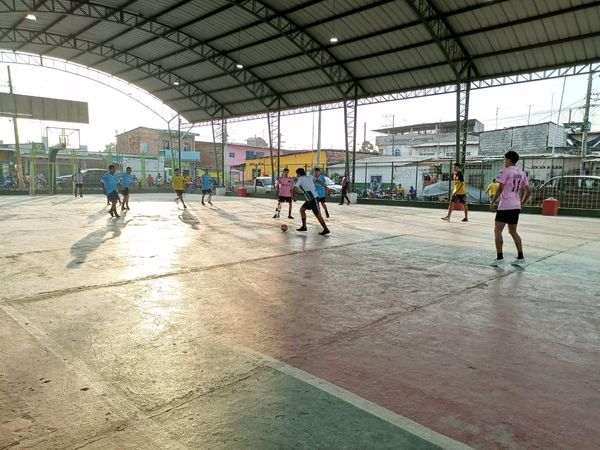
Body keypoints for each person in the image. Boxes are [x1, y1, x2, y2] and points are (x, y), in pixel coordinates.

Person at [490, 150, 531, 268]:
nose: (504, 161)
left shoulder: (505, 171)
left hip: (505, 206)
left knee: (498, 231)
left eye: (504, 159)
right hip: (515, 206)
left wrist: (493, 202)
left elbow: (500, 189)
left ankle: (500, 259)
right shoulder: (522, 173)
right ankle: (521, 257)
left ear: (508, 160)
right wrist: (522, 203)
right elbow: (528, 190)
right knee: (513, 231)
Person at [294, 168, 330, 235]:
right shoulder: (310, 177)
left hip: (313, 198)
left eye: (297, 174)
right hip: (309, 199)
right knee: (302, 210)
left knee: (317, 214)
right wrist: (326, 187)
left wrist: (294, 196)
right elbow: (318, 181)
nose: (296, 175)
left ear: (299, 174)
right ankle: (304, 226)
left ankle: (326, 229)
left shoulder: (300, 179)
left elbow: (295, 188)